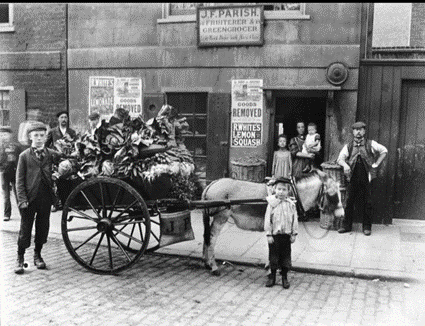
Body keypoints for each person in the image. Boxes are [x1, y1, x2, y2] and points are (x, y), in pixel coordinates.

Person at [14, 121, 63, 274]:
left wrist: (59, 173)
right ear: (30, 137)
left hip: (45, 198)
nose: (39, 138)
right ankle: (20, 257)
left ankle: (38, 255)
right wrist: (22, 200)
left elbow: (63, 163)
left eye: (42, 135)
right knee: (25, 228)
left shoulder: (51, 154)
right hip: (29, 199)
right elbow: (19, 180)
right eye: (36, 135)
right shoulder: (24, 156)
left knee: (42, 228)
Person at [337, 121, 388, 236]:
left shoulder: (371, 144)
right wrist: (345, 165)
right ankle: (346, 225)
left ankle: (366, 227)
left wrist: (376, 164)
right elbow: (339, 159)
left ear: (364, 131)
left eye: (360, 129)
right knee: (349, 201)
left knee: (367, 201)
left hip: (367, 175)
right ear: (353, 132)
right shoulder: (348, 146)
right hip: (353, 176)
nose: (358, 132)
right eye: (356, 129)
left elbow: (384, 151)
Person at [264, 179, 298, 288]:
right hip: (275, 236)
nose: (281, 192)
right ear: (274, 190)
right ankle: (272, 277)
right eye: (279, 189)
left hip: (286, 236)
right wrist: (269, 234)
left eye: (284, 189)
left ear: (288, 191)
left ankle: (284, 278)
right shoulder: (272, 204)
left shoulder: (291, 204)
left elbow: (294, 220)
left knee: (285, 258)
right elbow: (267, 220)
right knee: (273, 257)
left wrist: (294, 234)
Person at [0, 127, 22, 221]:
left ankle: (23, 213)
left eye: (5, 134)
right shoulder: (0, 147)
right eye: (1, 135)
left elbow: (21, 159)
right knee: (6, 195)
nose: (3, 137)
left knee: (18, 193)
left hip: (15, 171)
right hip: (4, 172)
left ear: (10, 135)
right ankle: (7, 214)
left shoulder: (16, 146)